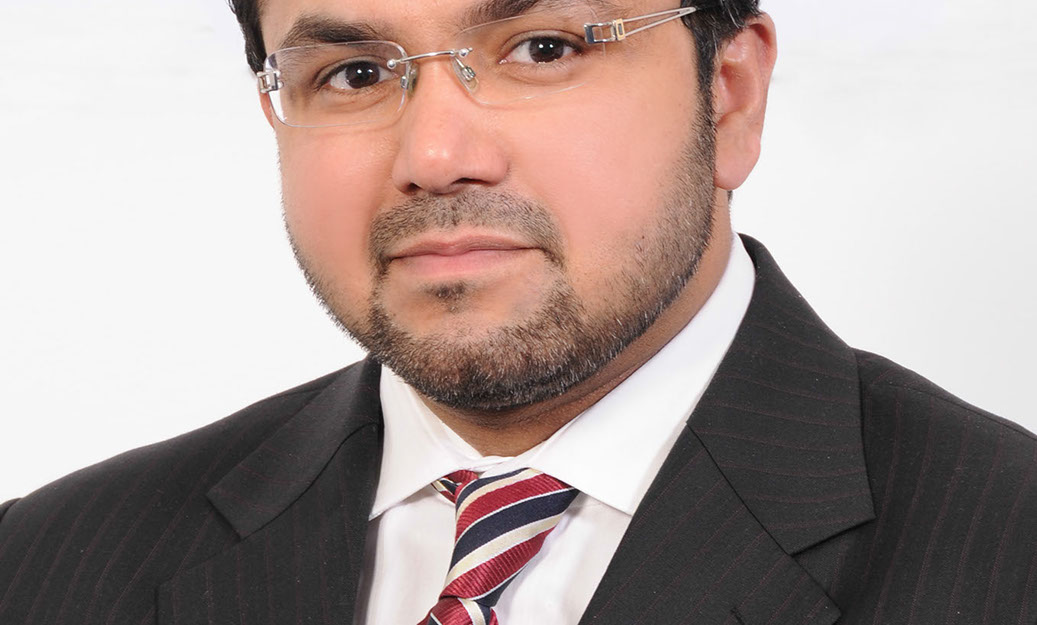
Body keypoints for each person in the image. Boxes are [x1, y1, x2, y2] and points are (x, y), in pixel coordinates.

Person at [1, 0, 1034, 623]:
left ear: (727, 93)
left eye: (542, 49)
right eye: (352, 73)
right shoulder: (46, 565)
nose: (436, 156)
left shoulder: (1004, 551)